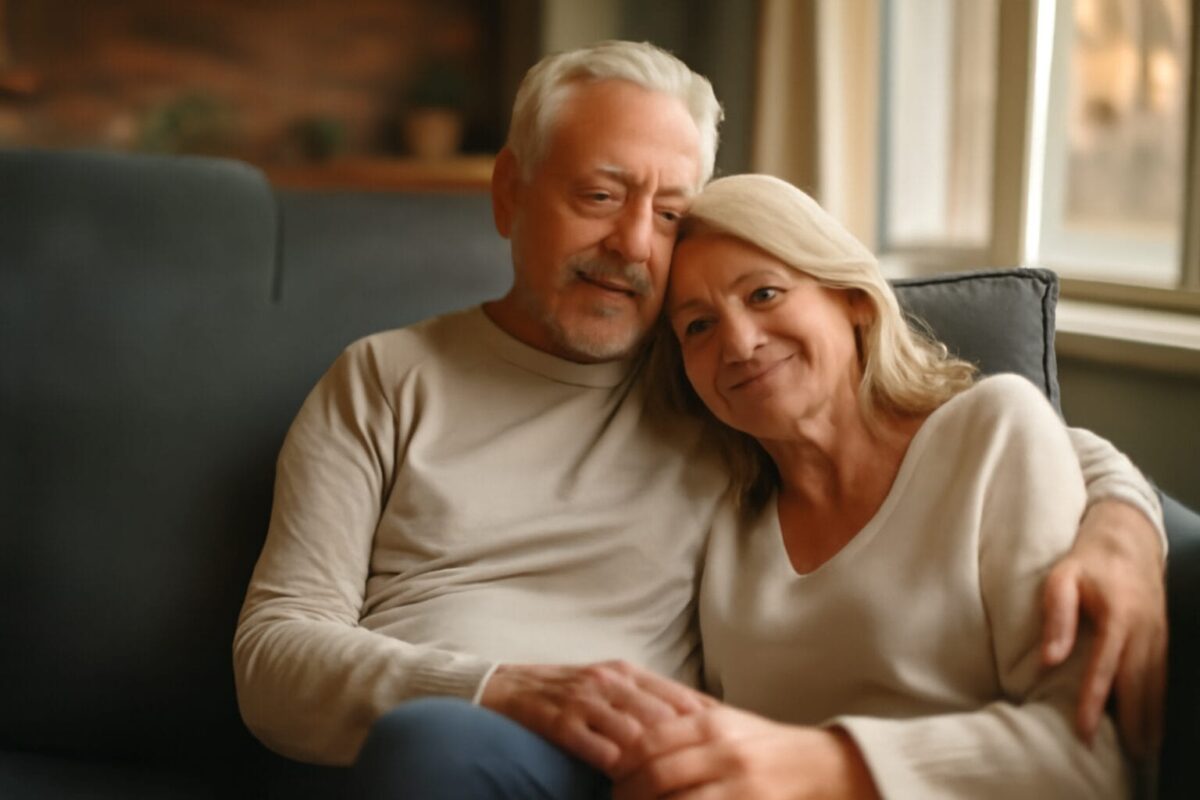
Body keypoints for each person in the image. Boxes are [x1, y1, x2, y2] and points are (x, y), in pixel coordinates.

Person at [233, 41, 1166, 798]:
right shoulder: (383, 379)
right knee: (433, 749)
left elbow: (970, 437)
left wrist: (1126, 524)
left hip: (636, 765)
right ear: (510, 192)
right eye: (599, 195)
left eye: (669, 213)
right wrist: (500, 689)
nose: (632, 245)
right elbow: (274, 658)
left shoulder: (705, 386)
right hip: (416, 752)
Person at [616, 173, 1133, 798]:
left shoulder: (992, 434)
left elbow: (1091, 761)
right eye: (697, 327)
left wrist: (831, 765)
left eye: (765, 294)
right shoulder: (719, 521)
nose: (739, 343)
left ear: (853, 296)